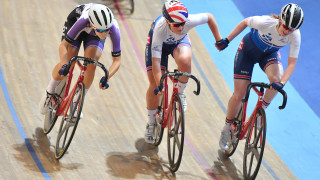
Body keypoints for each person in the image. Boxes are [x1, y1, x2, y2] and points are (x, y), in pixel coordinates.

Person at [216, 3, 304, 150]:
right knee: (239, 94)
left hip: (268, 55)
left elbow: (292, 63)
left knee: (277, 79)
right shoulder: (266, 22)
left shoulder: (295, 35)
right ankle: (226, 127)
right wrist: (227, 40)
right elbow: (245, 22)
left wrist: (281, 83)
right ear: (280, 20)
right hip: (247, 53)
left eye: (291, 29)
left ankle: (259, 113)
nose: (287, 32)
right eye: (286, 27)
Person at [144, 0, 224, 143]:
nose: (181, 27)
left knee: (186, 61)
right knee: (154, 85)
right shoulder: (159, 29)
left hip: (178, 42)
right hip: (159, 47)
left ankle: (180, 92)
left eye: (182, 23)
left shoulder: (188, 21)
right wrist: (159, 84)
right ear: (168, 22)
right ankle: (151, 122)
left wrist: (218, 40)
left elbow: (210, 17)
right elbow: (156, 62)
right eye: (176, 25)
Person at [39, 3, 121, 116]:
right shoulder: (82, 20)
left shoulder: (113, 27)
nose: (105, 33)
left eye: (107, 30)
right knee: (70, 59)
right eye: (101, 31)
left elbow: (117, 61)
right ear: (92, 26)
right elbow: (63, 45)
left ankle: (77, 101)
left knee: (92, 62)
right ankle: (49, 91)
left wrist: (107, 77)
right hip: (76, 23)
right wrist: (64, 64)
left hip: (93, 34)